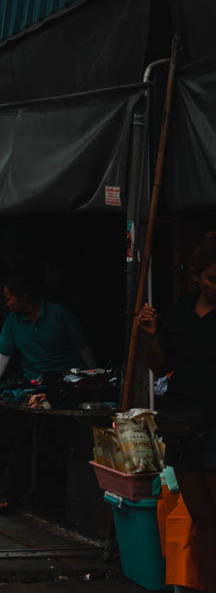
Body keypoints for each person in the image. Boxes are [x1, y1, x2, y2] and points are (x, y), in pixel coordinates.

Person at [137, 233, 216, 592]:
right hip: (184, 427)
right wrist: (151, 336)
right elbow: (160, 367)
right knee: (203, 519)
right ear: (197, 276)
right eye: (213, 278)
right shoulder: (180, 312)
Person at [0, 269, 94, 511]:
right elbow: (2, 354)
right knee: (23, 439)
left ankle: (51, 499)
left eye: (10, 298)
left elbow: (82, 348)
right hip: (33, 387)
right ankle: (13, 493)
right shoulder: (13, 321)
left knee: (56, 444)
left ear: (25, 297)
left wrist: (94, 378)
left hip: (66, 385)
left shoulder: (60, 315)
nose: (7, 303)